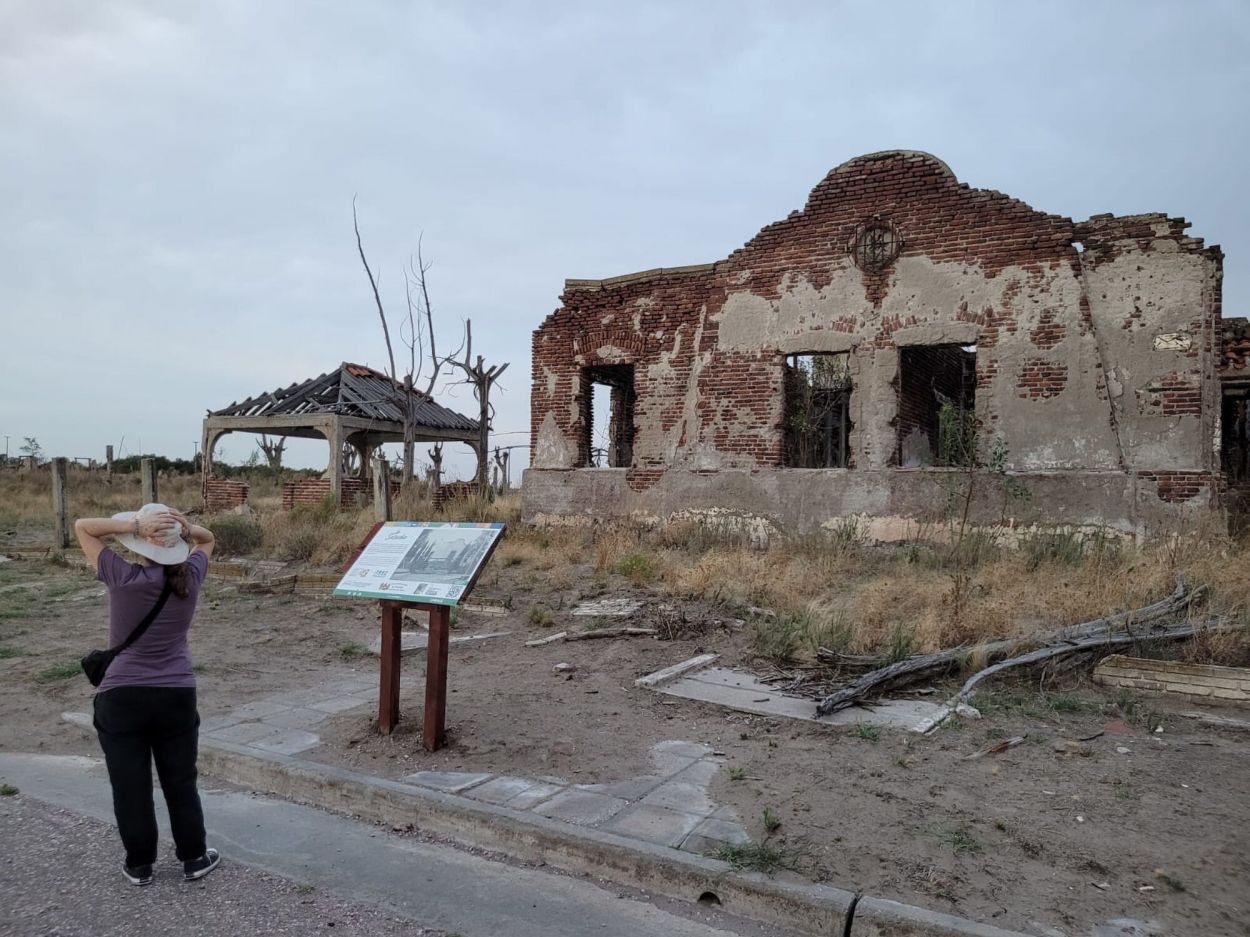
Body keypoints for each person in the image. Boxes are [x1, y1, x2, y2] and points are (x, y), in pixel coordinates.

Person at [74, 502, 220, 886]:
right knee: (180, 782)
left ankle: (140, 864)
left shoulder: (121, 576)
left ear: (139, 544)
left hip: (121, 696)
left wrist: (134, 524)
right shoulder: (191, 577)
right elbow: (209, 539)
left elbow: (83, 527)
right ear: (176, 548)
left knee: (130, 786)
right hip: (175, 694)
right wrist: (185, 528)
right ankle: (193, 858)